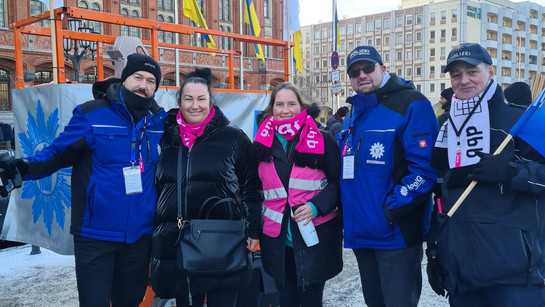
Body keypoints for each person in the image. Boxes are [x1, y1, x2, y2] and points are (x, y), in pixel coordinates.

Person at [0, 53, 167, 307]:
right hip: (95, 236)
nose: (144, 86)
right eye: (138, 77)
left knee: (130, 302)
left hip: (139, 237)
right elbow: (58, 153)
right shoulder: (92, 115)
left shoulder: (158, 123)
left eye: (151, 81)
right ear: (124, 79)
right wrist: (25, 167)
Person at [427, 42, 545, 306]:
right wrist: (436, 250)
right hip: (462, 273)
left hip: (514, 276)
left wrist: (509, 171)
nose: (464, 80)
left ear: (490, 72)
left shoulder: (520, 121)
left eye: (472, 71)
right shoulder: (446, 126)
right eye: (456, 74)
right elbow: (442, 194)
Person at [151, 68, 262, 307]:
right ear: (179, 101)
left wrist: (254, 230)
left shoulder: (233, 138)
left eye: (201, 99)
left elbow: (252, 187)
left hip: (222, 242)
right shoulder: (164, 137)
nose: (195, 105)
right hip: (176, 243)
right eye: (188, 99)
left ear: (211, 102)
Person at [337, 45, 439, 307]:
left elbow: (424, 171)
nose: (361, 75)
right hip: (361, 235)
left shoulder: (411, 104)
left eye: (368, 68)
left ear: (383, 69)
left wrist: (390, 210)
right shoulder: (353, 115)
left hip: (394, 235)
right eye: (354, 72)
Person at [252, 82, 343, 307]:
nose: (285, 110)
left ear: (301, 107)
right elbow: (254, 191)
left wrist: (316, 206)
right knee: (286, 300)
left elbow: (337, 183)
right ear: (271, 108)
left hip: (315, 238)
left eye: (291, 104)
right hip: (278, 241)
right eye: (279, 104)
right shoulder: (261, 144)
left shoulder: (323, 139)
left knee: (312, 301)